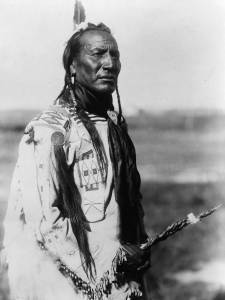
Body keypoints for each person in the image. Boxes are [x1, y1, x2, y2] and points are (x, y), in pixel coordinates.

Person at [2, 22, 150, 300]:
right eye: (97, 54)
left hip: (121, 281)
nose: (109, 63)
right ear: (72, 65)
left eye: (115, 55)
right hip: (65, 283)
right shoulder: (48, 130)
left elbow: (132, 205)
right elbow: (44, 223)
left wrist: (139, 246)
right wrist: (113, 255)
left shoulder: (115, 126)